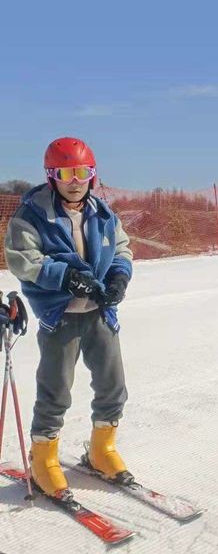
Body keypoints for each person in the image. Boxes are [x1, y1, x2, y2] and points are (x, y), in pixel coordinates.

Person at [4, 137, 134, 498]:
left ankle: (101, 450)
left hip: (99, 314)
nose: (75, 180)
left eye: (82, 172)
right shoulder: (32, 215)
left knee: (112, 385)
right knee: (56, 389)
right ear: (52, 176)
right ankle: (44, 457)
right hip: (60, 315)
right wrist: (66, 276)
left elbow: (121, 247)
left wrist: (119, 276)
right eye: (66, 173)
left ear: (92, 174)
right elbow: (22, 258)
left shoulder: (103, 213)